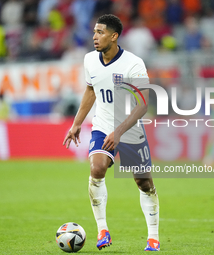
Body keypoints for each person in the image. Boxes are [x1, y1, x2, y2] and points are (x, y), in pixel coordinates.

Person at [63, 14, 160, 251]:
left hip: (129, 127)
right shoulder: (89, 60)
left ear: (114, 36)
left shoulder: (134, 63)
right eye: (94, 32)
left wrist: (119, 132)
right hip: (103, 123)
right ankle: (102, 230)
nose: (95, 37)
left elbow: (143, 105)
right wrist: (77, 123)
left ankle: (153, 237)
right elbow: (90, 90)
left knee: (144, 182)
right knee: (97, 168)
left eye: (100, 32)